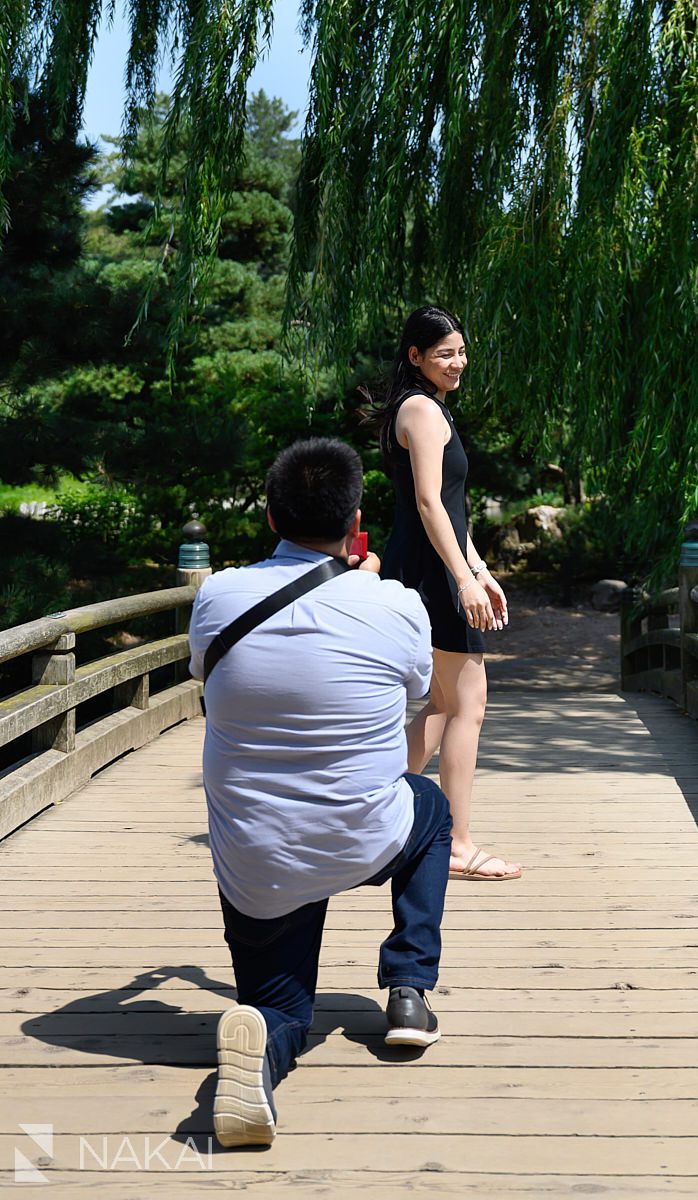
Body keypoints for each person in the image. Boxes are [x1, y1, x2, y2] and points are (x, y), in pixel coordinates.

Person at [187, 437, 452, 1148]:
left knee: (279, 1006)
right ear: (355, 520)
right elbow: (418, 693)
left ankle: (263, 1041)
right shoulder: (396, 604)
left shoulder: (216, 594)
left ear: (271, 516)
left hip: (256, 857)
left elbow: (204, 683)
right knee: (431, 809)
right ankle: (407, 989)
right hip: (365, 837)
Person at [377, 305, 522, 881]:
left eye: (462, 351)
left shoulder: (419, 408)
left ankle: (373, 808)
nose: (458, 362)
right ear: (416, 356)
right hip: (433, 571)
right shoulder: (423, 410)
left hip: (432, 563)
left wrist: (480, 566)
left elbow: (453, 511)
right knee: (468, 706)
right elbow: (429, 504)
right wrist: (461, 579)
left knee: (443, 705)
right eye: (445, 354)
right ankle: (458, 844)